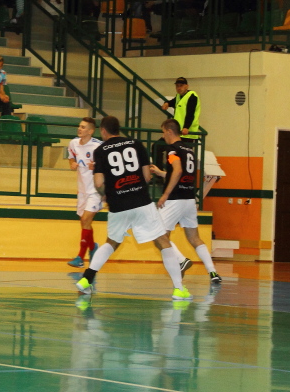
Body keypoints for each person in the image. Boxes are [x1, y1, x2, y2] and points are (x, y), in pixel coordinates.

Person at [75, 115, 192, 301]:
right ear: (118, 129)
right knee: (163, 241)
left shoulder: (100, 150)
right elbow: (147, 176)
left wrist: (106, 194)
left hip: (118, 204)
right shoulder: (137, 144)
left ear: (103, 131)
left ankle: (86, 279)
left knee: (111, 242)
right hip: (140, 200)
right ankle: (179, 289)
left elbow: (98, 182)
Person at [149, 118, 222, 285]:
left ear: (169, 131)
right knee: (195, 238)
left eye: (163, 132)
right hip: (189, 198)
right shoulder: (189, 149)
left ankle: (181, 260)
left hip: (175, 198)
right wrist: (161, 173)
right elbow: (181, 173)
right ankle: (213, 272)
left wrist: (165, 194)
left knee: (157, 234)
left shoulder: (172, 149)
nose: (163, 136)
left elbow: (177, 170)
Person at [66, 117, 102, 268]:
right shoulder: (73, 143)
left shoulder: (98, 146)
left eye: (83, 127)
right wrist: (72, 163)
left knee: (86, 219)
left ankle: (80, 257)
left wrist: (97, 167)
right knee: (84, 222)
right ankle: (93, 247)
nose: (79, 129)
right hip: (82, 190)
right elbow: (71, 157)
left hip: (95, 190)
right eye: (79, 126)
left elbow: (108, 165)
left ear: (91, 131)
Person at [162, 77, 201, 146]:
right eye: (177, 86)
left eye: (181, 86)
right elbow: (173, 102)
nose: (179, 88)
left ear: (187, 86)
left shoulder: (192, 96)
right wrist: (167, 103)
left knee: (182, 152)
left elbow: (190, 113)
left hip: (187, 133)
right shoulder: (178, 96)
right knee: (157, 146)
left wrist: (186, 127)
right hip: (177, 132)